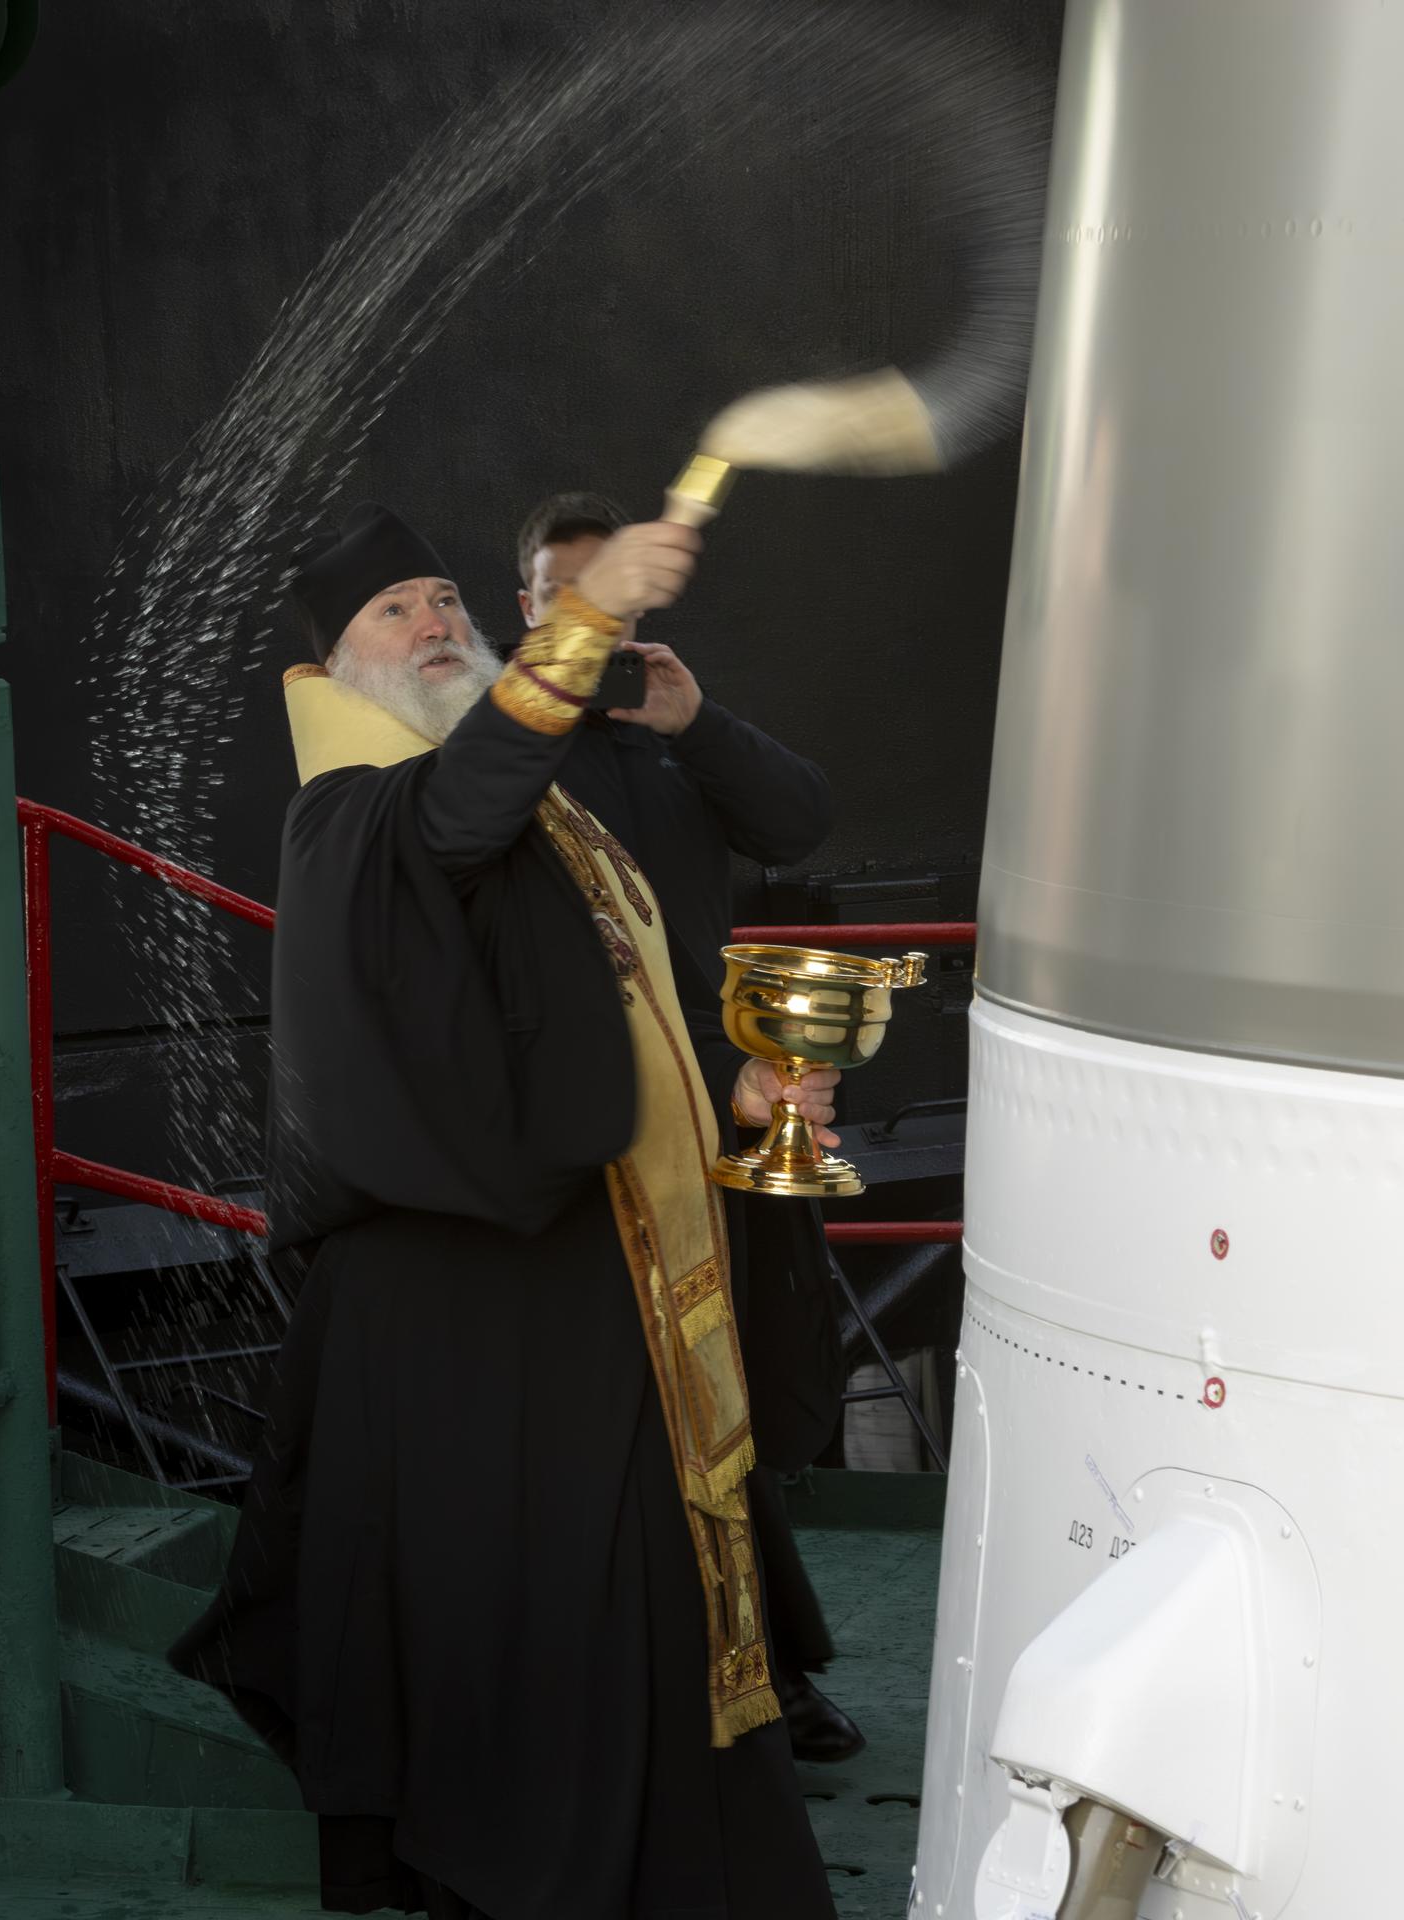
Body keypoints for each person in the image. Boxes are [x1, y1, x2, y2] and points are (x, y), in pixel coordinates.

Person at [172, 500, 842, 1920]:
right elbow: (454, 810)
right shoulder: (357, 812)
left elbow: (576, 1005)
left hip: (578, 1271)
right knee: (526, 1617)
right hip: (455, 1309)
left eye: (438, 600)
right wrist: (591, 615)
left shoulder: (539, 815)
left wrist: (716, 1093)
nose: (431, 625)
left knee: (633, 1590)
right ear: (331, 669)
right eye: (392, 613)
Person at [514, 491, 867, 1765]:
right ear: (527, 612)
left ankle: (768, 1672)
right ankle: (670, 1689)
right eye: (569, 597)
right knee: (632, 1420)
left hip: (721, 1115)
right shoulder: (495, 751)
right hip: (597, 1135)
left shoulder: (665, 733)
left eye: (614, 597)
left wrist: (699, 721)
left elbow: (799, 818)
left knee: (745, 1406)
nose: (592, 623)